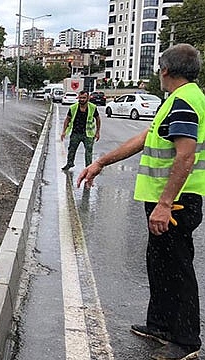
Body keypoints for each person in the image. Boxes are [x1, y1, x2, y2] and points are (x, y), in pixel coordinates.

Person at [77, 43, 205, 360]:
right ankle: (160, 325)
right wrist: (101, 162)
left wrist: (164, 203)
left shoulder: (185, 101)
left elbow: (185, 155)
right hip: (167, 200)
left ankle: (187, 340)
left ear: (164, 70)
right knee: (159, 264)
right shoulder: (176, 100)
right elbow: (146, 138)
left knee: (177, 268)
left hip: (175, 203)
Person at [61, 90, 102, 171]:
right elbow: (67, 119)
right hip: (75, 133)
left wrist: (97, 132)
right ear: (78, 98)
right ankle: (69, 163)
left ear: (88, 98)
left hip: (88, 134)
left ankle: (88, 168)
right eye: (80, 98)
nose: (82, 100)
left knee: (88, 151)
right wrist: (64, 131)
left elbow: (98, 119)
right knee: (71, 149)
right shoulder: (73, 107)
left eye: (84, 98)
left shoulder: (93, 107)